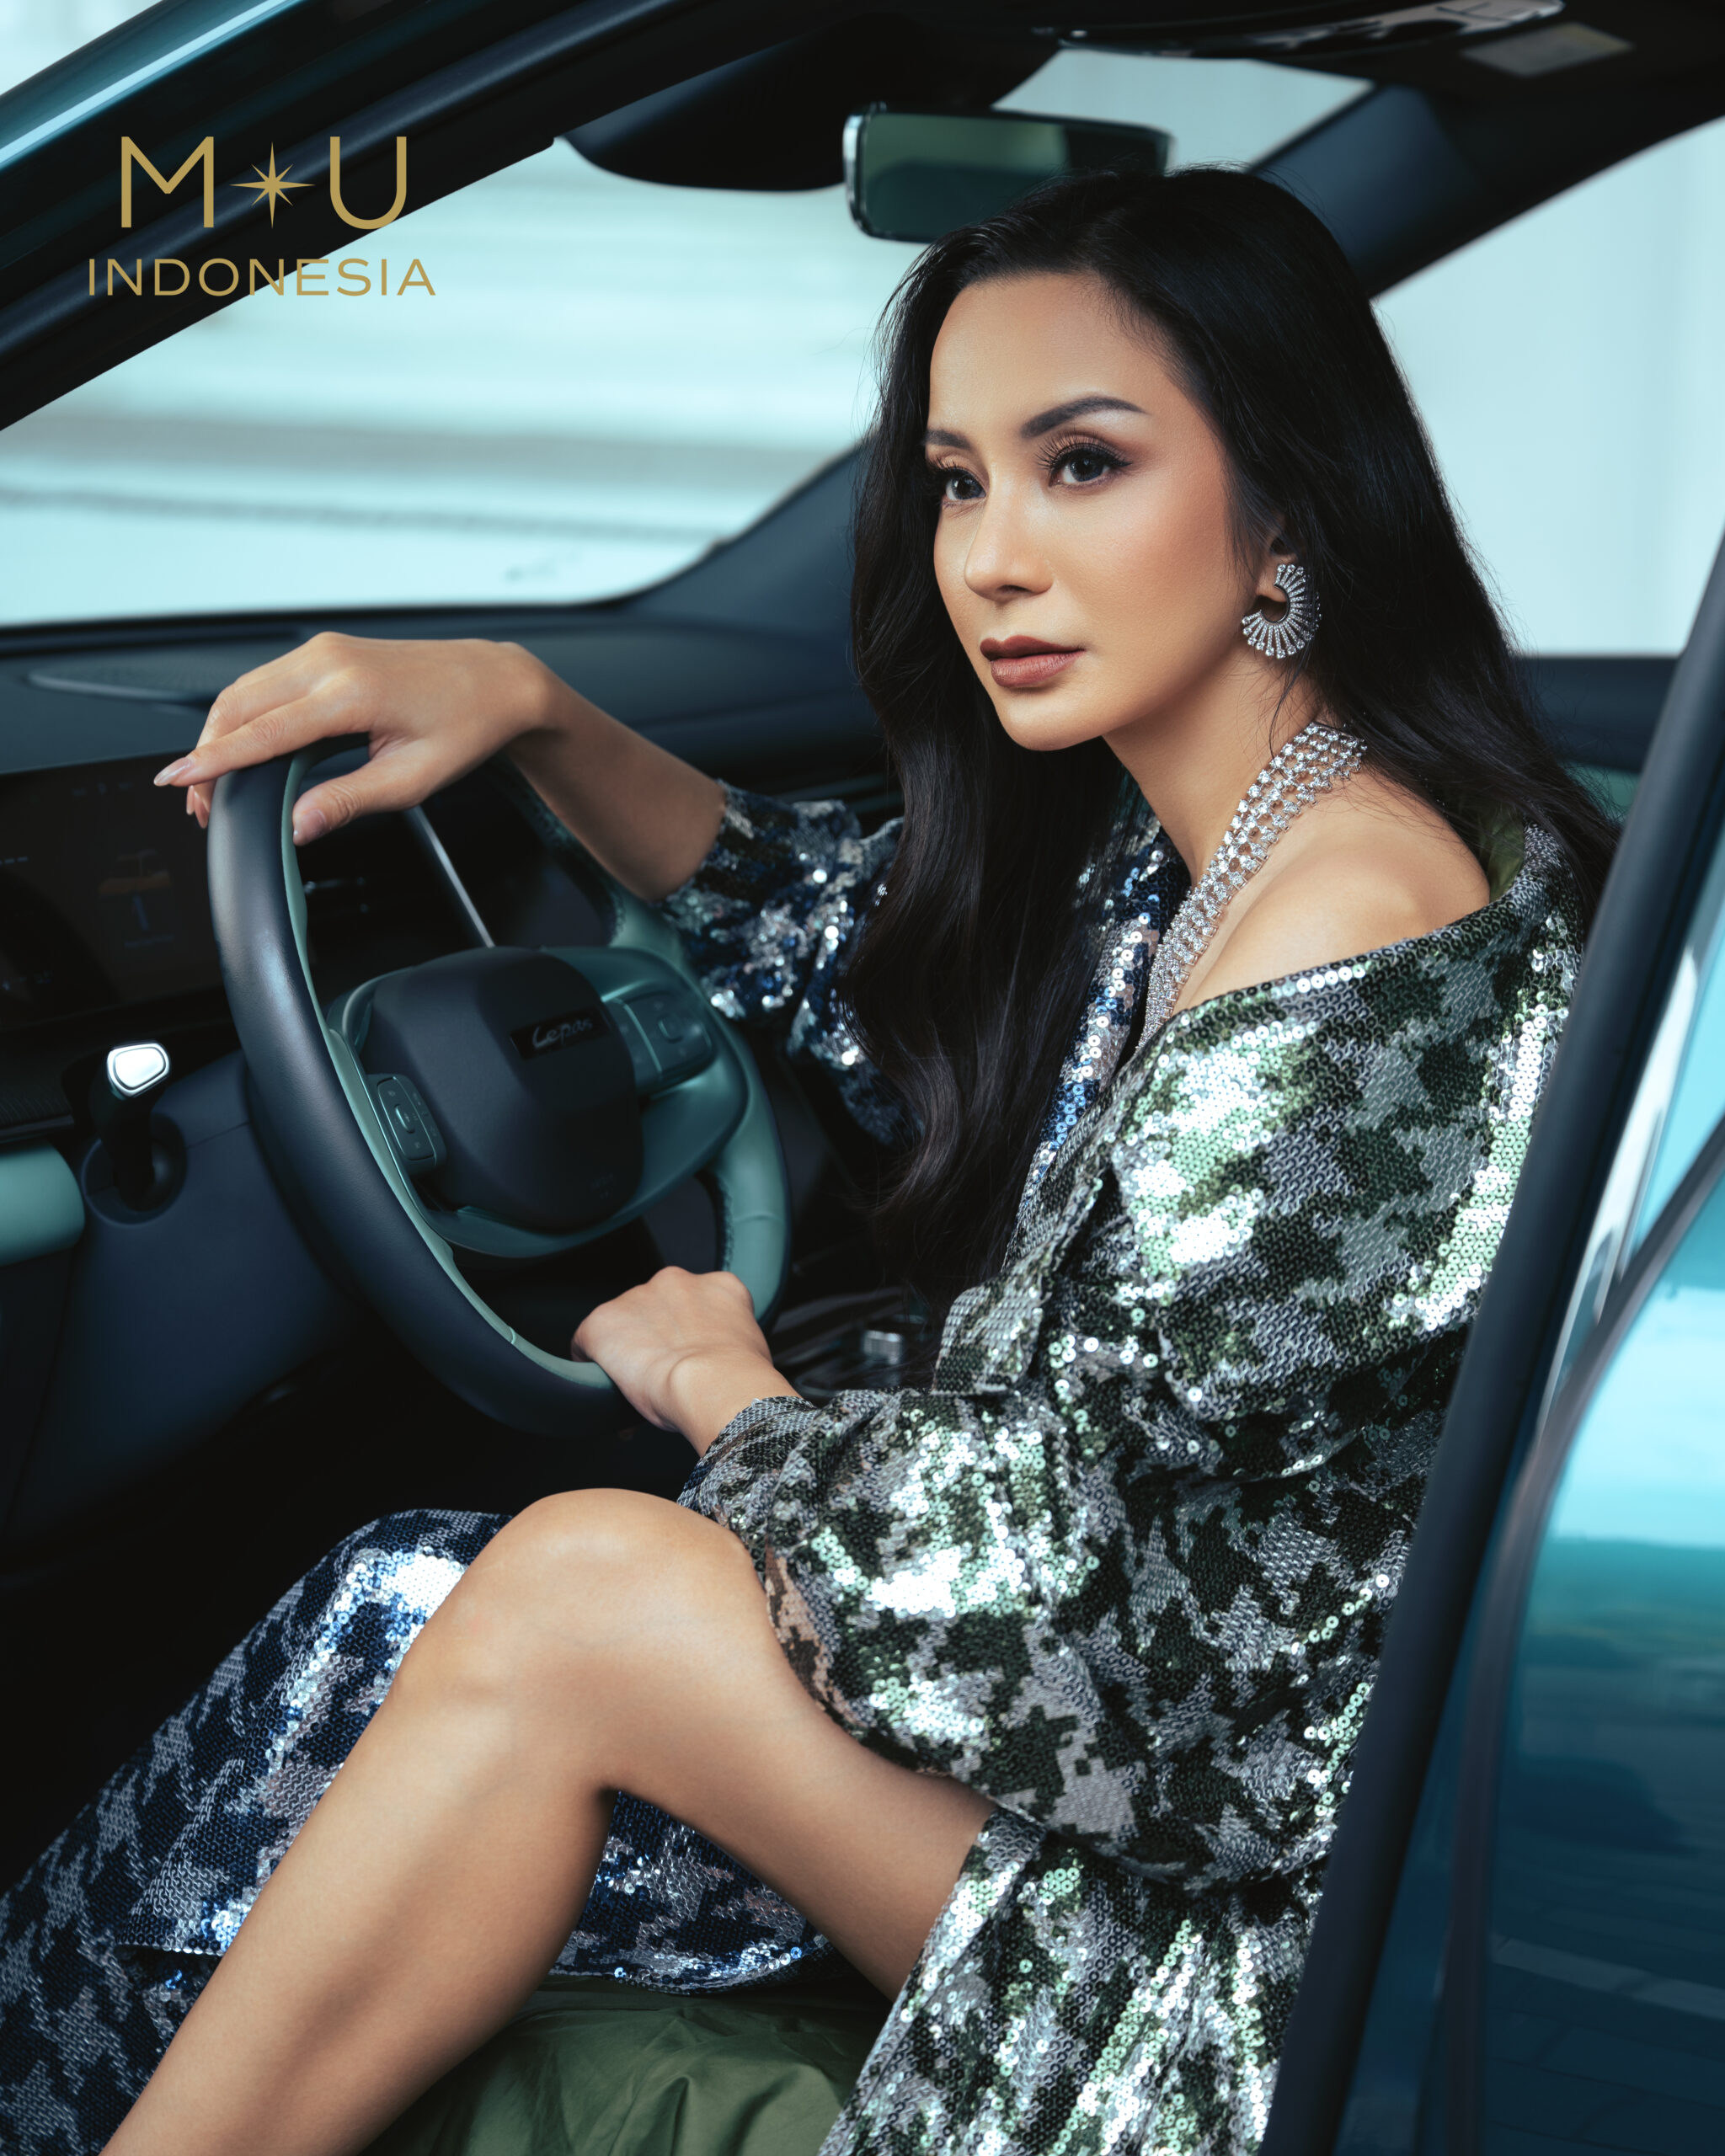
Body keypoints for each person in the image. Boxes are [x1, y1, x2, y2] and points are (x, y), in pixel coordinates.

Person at [0, 168, 1610, 2156]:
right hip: (1208, 1797)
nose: (992, 559)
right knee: (460, 1606)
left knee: (534, 1592)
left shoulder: (1352, 940)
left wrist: (728, 1396)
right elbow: (866, 956)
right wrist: (538, 709)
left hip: (1268, 1945)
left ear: (1287, 507)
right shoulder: (1216, 848)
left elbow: (1090, 1612)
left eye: (1082, 465)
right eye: (956, 481)